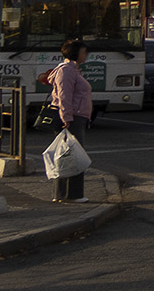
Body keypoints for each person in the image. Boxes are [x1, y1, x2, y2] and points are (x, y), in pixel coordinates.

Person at [48, 39, 95, 203]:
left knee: (67, 156)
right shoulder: (66, 70)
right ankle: (72, 194)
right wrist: (67, 117)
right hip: (72, 118)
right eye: (84, 52)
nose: (86, 55)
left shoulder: (73, 69)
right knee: (74, 157)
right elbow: (64, 96)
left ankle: (63, 194)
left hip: (76, 116)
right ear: (75, 53)